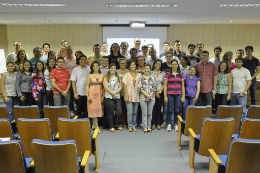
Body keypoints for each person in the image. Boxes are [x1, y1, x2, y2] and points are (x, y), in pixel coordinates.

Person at [164, 59, 185, 132]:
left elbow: (182, 86)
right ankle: (169, 123)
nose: (174, 65)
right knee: (169, 109)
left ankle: (176, 124)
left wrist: (183, 96)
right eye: (173, 64)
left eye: (176, 64)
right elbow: (165, 85)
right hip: (170, 94)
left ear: (177, 65)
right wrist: (165, 96)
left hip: (178, 94)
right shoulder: (168, 74)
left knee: (176, 110)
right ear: (171, 65)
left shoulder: (181, 74)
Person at [123, 60, 142, 132]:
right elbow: (124, 85)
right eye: (131, 65)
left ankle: (134, 125)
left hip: (136, 96)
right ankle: (130, 126)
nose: (133, 66)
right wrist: (126, 96)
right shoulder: (127, 75)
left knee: (135, 112)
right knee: (130, 113)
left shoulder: (139, 75)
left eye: (134, 65)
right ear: (129, 66)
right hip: (129, 96)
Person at [103, 63, 123, 132]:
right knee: (110, 112)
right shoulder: (106, 77)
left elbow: (120, 87)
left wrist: (115, 92)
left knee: (119, 111)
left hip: (117, 96)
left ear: (115, 69)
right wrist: (113, 93)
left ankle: (117, 126)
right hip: (108, 97)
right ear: (109, 69)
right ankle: (111, 126)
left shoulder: (118, 77)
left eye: (114, 68)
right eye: (111, 68)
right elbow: (106, 87)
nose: (113, 69)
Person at [86, 61, 104, 134]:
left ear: (98, 67)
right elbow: (87, 86)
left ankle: (94, 125)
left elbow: (104, 86)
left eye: (96, 66)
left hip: (99, 94)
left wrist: (103, 95)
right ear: (92, 67)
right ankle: (97, 126)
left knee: (98, 108)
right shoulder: (89, 75)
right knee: (93, 108)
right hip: (92, 93)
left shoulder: (102, 75)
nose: (95, 67)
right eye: (94, 66)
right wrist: (87, 96)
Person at [138, 64, 157, 133]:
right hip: (143, 98)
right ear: (144, 70)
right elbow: (140, 88)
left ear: (150, 70)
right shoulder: (141, 78)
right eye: (145, 68)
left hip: (151, 98)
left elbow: (155, 87)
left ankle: (149, 126)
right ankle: (145, 127)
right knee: (144, 113)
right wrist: (146, 95)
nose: (147, 70)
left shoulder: (153, 77)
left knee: (149, 113)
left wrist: (150, 96)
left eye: (148, 68)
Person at [71, 54, 90, 119]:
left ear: (86, 61)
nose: (83, 61)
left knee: (86, 110)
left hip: (88, 93)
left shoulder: (90, 69)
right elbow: (73, 82)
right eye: (81, 59)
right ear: (79, 60)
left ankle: (85, 125)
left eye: (85, 59)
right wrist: (75, 93)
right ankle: (79, 125)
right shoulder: (75, 70)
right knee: (78, 110)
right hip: (79, 93)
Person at [151, 60, 165, 130]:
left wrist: (159, 92)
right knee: (153, 109)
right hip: (152, 93)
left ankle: (158, 123)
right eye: (157, 64)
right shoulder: (151, 72)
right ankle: (153, 123)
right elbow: (150, 83)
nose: (158, 65)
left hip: (160, 93)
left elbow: (164, 84)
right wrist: (155, 92)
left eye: (160, 64)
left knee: (159, 109)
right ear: (154, 64)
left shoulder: (163, 73)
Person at [64, 45, 77, 117]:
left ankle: (77, 110)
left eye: (70, 50)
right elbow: (64, 71)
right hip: (68, 81)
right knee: (70, 97)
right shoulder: (64, 60)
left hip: (76, 81)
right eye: (68, 50)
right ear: (66, 51)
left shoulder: (76, 59)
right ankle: (71, 110)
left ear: (72, 51)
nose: (69, 51)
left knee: (76, 96)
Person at [117, 58, 129, 129]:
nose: (123, 65)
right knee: (119, 109)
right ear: (119, 64)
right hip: (118, 93)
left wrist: (125, 92)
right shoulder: (116, 71)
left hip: (127, 93)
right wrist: (120, 91)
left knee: (126, 109)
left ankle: (125, 122)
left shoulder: (129, 71)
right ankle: (120, 122)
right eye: (121, 63)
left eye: (124, 63)